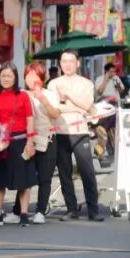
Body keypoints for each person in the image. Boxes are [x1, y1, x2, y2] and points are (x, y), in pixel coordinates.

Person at [47, 50, 105, 222]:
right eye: (64, 61)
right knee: (64, 173)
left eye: (71, 61)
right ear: (60, 63)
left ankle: (93, 210)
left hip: (80, 132)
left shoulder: (86, 83)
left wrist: (69, 96)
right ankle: (71, 209)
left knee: (87, 172)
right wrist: (76, 107)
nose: (67, 64)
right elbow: (53, 108)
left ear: (78, 63)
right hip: (60, 131)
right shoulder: (53, 84)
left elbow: (88, 106)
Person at [0, 63, 36, 227]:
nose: (6, 79)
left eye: (9, 76)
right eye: (3, 76)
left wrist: (30, 141)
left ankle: (23, 213)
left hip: (20, 139)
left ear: (15, 78)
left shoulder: (23, 96)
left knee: (24, 178)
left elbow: (30, 119)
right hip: (0, 140)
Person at [24, 61, 61, 223]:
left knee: (45, 178)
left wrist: (42, 99)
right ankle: (19, 210)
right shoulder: (22, 94)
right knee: (24, 177)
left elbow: (56, 114)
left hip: (47, 140)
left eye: (35, 76)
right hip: (26, 141)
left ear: (42, 77)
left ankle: (40, 210)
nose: (31, 79)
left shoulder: (50, 94)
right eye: (28, 76)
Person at [94, 62, 124, 158]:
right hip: (104, 106)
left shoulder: (116, 78)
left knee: (114, 129)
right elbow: (99, 91)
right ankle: (101, 151)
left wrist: (118, 86)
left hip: (115, 105)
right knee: (103, 130)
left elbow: (122, 90)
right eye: (111, 72)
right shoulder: (99, 79)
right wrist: (106, 80)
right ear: (106, 71)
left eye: (114, 71)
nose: (113, 73)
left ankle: (115, 151)